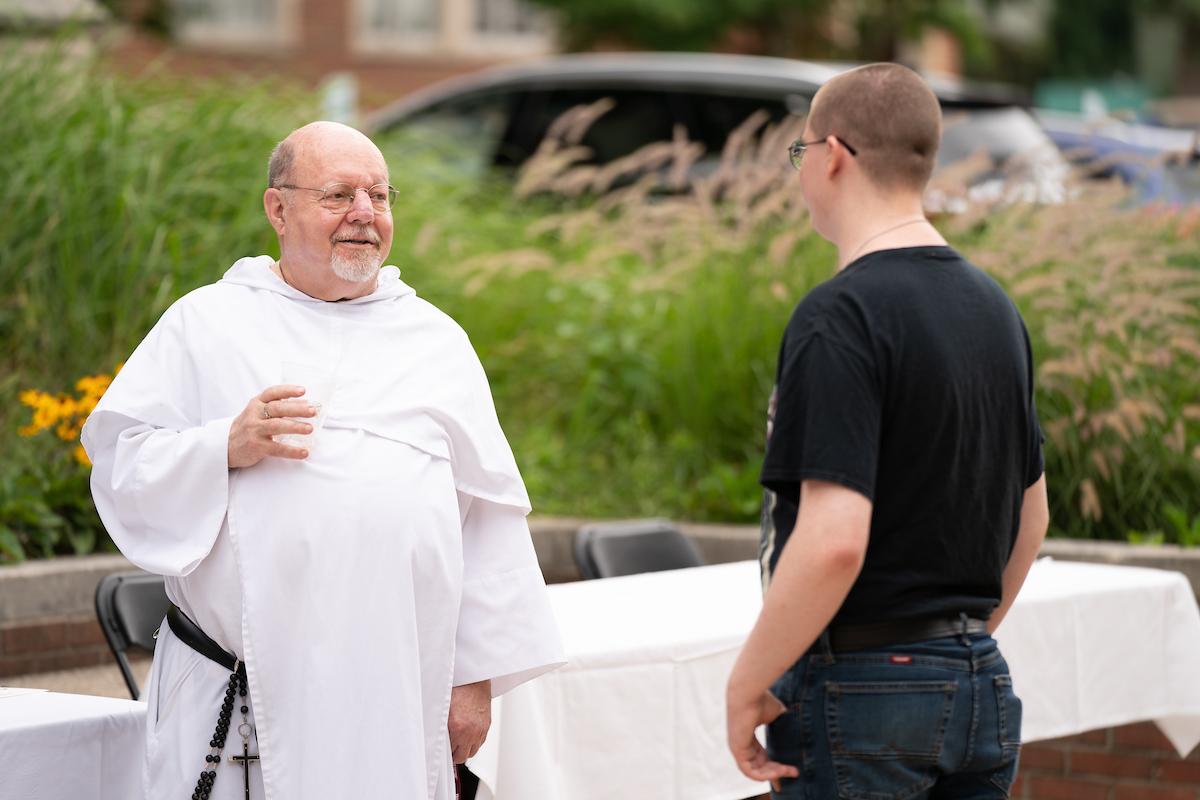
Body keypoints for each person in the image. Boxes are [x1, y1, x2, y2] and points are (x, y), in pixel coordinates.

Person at [82, 121, 565, 800]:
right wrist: (222, 446)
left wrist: (474, 681)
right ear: (278, 210)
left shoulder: (435, 342)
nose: (366, 214)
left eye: (380, 196)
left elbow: (488, 525)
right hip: (247, 693)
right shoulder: (207, 324)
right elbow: (122, 465)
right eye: (339, 195)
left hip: (395, 699)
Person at [725, 63, 1050, 798]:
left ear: (833, 155)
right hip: (981, 685)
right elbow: (1032, 519)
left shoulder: (839, 315)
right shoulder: (996, 309)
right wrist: (956, 650)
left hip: (862, 693)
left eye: (800, 154)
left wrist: (749, 682)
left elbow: (836, 538)